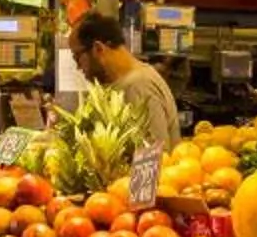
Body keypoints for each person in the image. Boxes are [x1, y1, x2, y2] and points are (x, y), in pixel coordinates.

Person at [69, 12, 179, 145]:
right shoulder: (123, 83)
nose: (78, 67)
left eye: (77, 57)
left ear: (98, 49)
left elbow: (156, 153)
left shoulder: (139, 85)